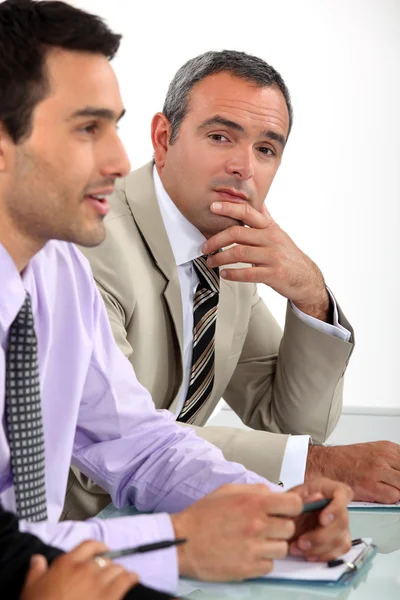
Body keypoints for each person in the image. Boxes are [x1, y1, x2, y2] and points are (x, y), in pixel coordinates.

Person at [0, 0, 352, 594]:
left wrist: (273, 512)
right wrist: (180, 540)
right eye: (88, 128)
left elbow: (135, 441)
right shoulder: (94, 244)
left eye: (114, 124)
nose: (118, 159)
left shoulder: (58, 270)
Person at [68, 49, 400, 515]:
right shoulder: (89, 241)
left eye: (266, 149)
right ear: (163, 138)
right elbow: (114, 442)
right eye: (221, 136)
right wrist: (320, 465)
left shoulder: (229, 248)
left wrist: (311, 295)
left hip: (178, 526)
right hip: (63, 539)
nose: (244, 166)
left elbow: (285, 424)